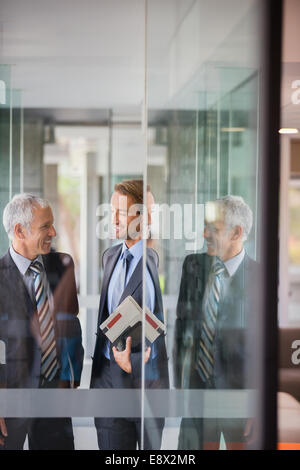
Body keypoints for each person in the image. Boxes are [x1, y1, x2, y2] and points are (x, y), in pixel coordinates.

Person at [174, 195, 258, 450]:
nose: (204, 234)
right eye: (204, 226)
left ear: (237, 233)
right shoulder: (193, 266)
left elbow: (263, 347)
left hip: (237, 395)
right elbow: (182, 325)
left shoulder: (260, 277)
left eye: (214, 229)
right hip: (197, 390)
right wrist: (180, 384)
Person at [0, 193, 84, 450]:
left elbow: (71, 323)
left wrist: (71, 376)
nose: (54, 232)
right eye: (45, 226)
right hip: (10, 403)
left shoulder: (60, 266)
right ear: (19, 231)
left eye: (53, 223)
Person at [90, 179, 169, 450]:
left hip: (144, 382)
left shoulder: (152, 259)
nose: (112, 219)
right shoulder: (110, 256)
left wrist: (135, 358)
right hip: (108, 382)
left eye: (120, 212)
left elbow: (155, 321)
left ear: (141, 217)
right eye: (110, 211)